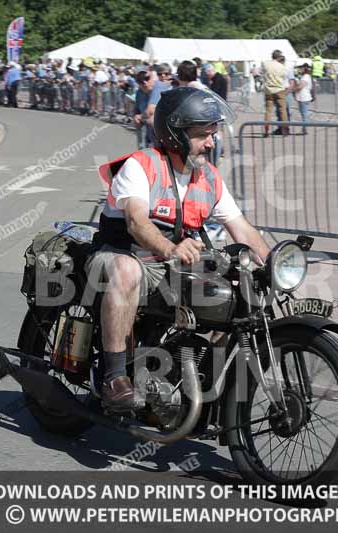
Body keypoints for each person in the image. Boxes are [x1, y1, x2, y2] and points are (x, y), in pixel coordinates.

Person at [86, 87, 270, 410]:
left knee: (232, 294)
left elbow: (241, 228)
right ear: (175, 135)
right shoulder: (142, 166)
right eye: (203, 135)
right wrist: (170, 248)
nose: (212, 143)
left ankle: (199, 384)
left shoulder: (209, 178)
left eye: (212, 134)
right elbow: (136, 223)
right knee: (127, 269)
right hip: (121, 254)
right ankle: (114, 378)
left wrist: (274, 267)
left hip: (170, 264)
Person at [262, 49, 288, 136]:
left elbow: (261, 72)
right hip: (279, 89)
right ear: (279, 57)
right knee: (282, 110)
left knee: (268, 111)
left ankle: (266, 130)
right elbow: (284, 77)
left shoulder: (265, 64)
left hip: (268, 90)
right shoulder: (281, 66)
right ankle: (285, 129)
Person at [294, 62, 312, 134]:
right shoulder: (305, 76)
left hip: (303, 97)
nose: (299, 69)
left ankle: (305, 129)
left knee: (304, 114)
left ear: (304, 68)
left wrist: (293, 89)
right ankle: (304, 128)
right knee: (304, 113)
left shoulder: (305, 77)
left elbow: (300, 86)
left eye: (301, 68)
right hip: (303, 97)